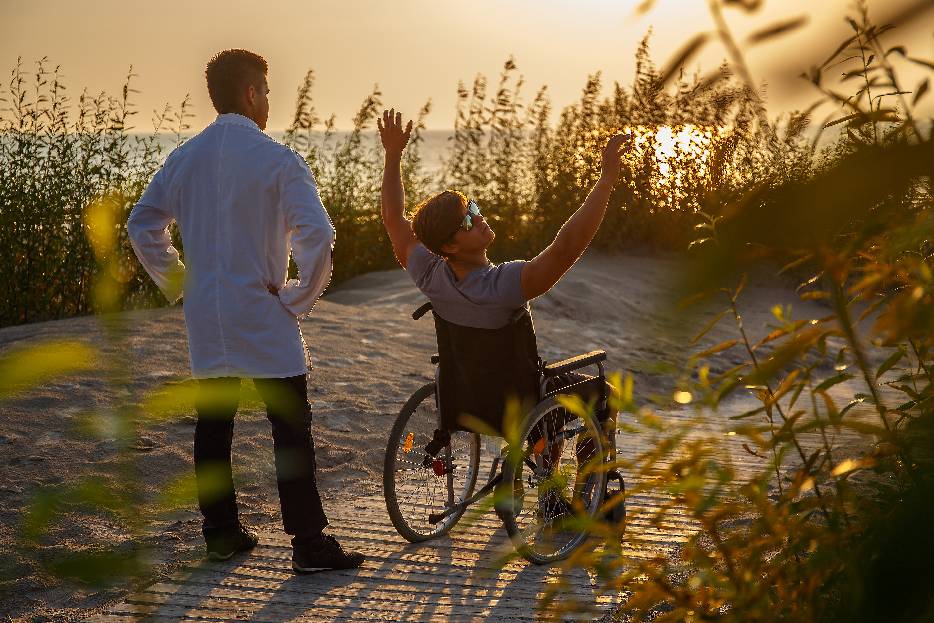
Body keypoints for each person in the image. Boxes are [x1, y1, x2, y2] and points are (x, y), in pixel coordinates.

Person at [127, 49, 363, 573]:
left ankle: (222, 534)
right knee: (289, 427)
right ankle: (308, 544)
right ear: (252, 93)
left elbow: (142, 224)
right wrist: (301, 295)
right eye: (267, 92)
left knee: (213, 426)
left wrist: (180, 282)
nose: (269, 103)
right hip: (262, 308)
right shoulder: (279, 160)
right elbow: (317, 234)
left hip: (206, 314)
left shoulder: (184, 157)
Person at [377, 109, 629, 515]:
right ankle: (587, 492)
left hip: (466, 400)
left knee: (545, 392)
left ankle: (543, 481)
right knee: (602, 393)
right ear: (451, 246)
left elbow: (393, 220)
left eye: (474, 208)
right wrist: (605, 182)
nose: (480, 219)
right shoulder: (503, 286)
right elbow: (565, 248)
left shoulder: (429, 276)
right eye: (468, 221)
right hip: (519, 401)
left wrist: (392, 156)